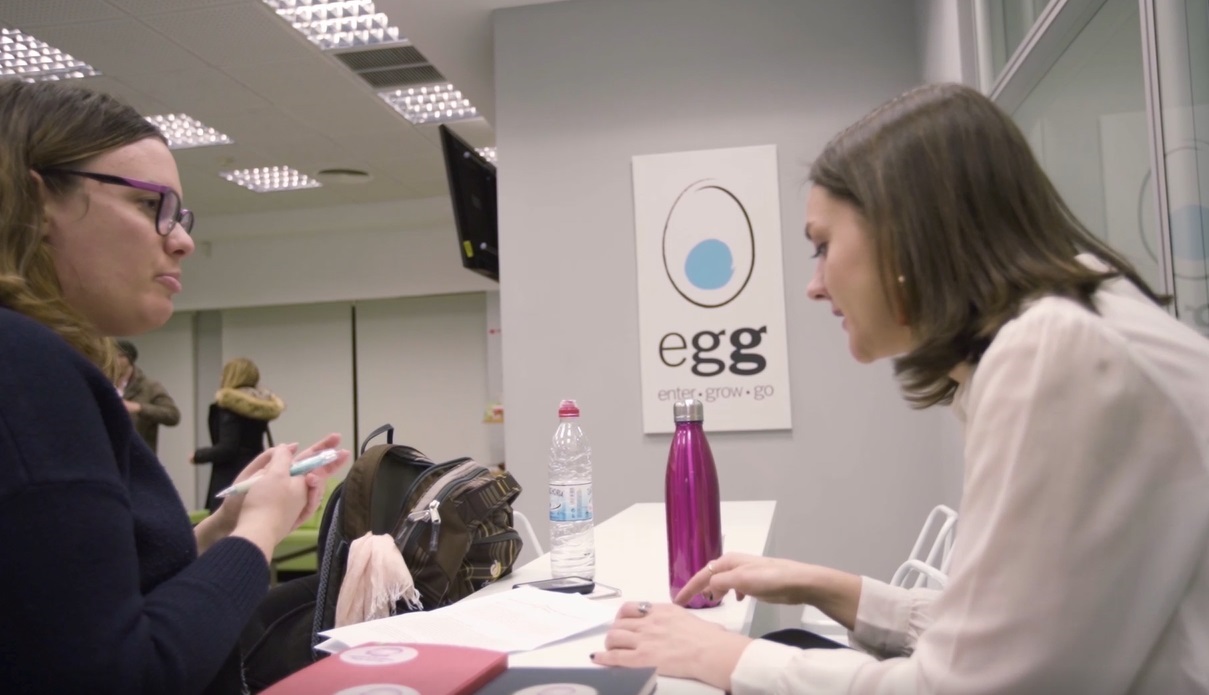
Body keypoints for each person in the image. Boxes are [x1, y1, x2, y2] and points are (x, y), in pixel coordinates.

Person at [592, 83, 1209, 693]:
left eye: (823, 246)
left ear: (906, 233)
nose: (814, 285)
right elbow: (1015, 633)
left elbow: (964, 685)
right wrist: (824, 585)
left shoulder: (1053, 353)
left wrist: (726, 657)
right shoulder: (1071, 331)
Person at [0, 79, 349, 694]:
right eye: (149, 205)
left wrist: (223, 528)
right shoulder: (26, 367)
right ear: (38, 200)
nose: (182, 240)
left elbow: (84, 605)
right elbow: (125, 675)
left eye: (180, 216)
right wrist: (259, 533)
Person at [192, 357, 286, 513]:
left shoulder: (228, 407)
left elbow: (227, 448)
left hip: (229, 477)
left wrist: (198, 455)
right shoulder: (259, 407)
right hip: (255, 472)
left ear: (231, 376)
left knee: (225, 522)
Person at [114, 338, 181, 455]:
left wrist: (140, 408)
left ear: (129, 359)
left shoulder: (149, 387)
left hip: (137, 455)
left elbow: (173, 415)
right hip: (107, 454)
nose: (114, 360)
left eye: (119, 356)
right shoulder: (103, 384)